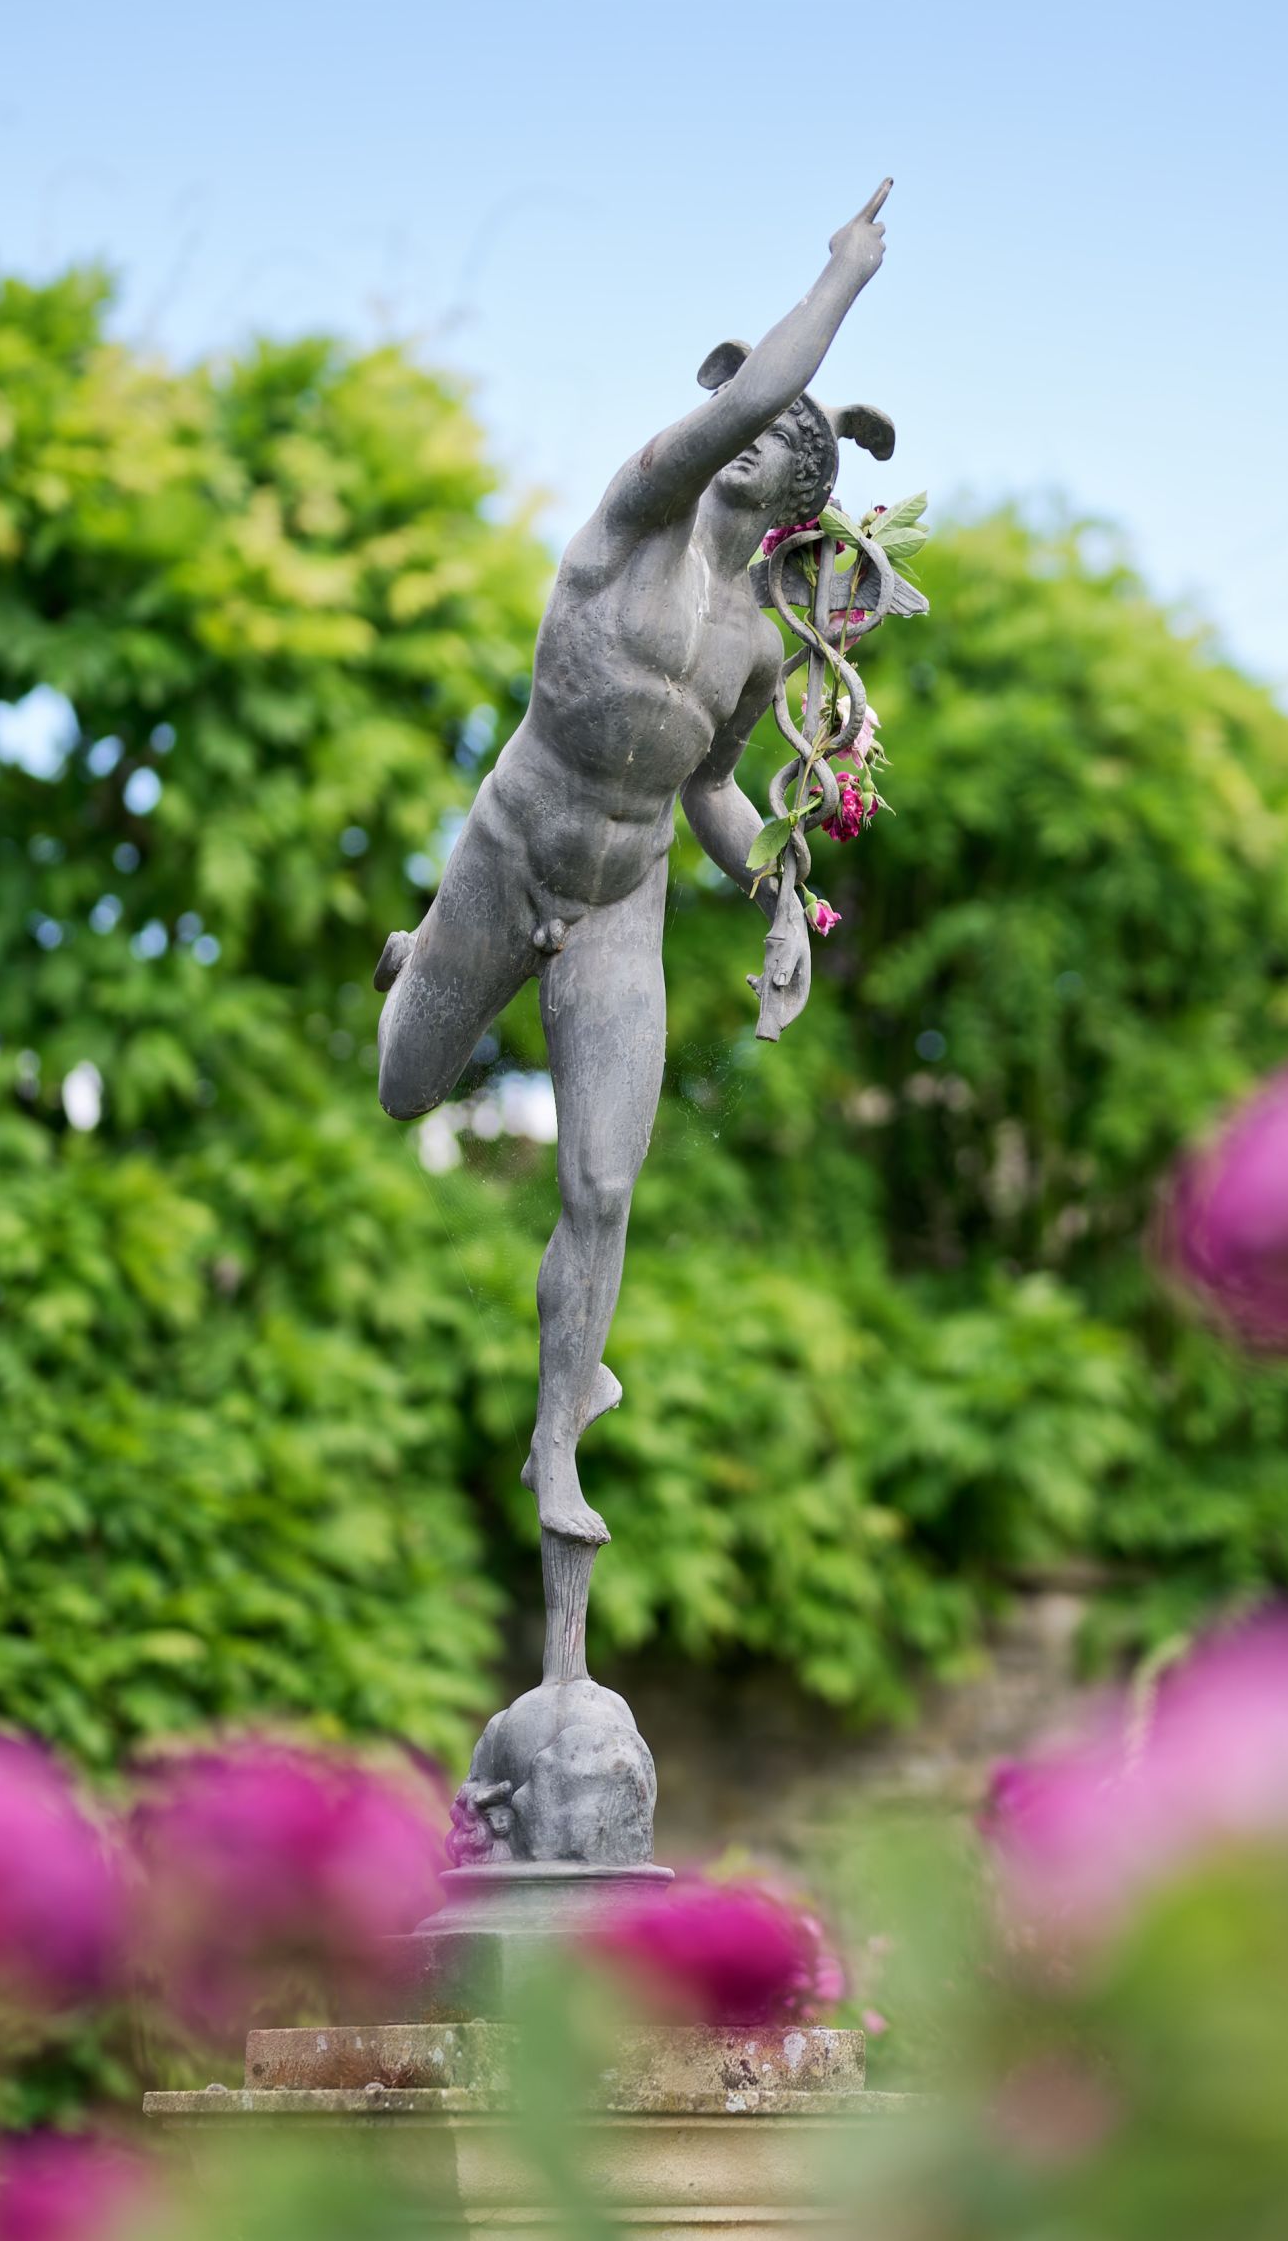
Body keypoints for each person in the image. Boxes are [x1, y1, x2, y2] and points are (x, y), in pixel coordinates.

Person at [373, 182, 893, 1550]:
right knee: (401, 1087)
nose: (752, 442)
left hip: (622, 901)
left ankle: (560, 1444)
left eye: (784, 445)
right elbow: (747, 395)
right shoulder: (631, 525)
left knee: (603, 1183)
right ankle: (421, 960)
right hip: (513, 848)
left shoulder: (754, 646)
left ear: (798, 494)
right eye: (748, 421)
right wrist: (841, 278)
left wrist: (784, 899)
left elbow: (716, 788)